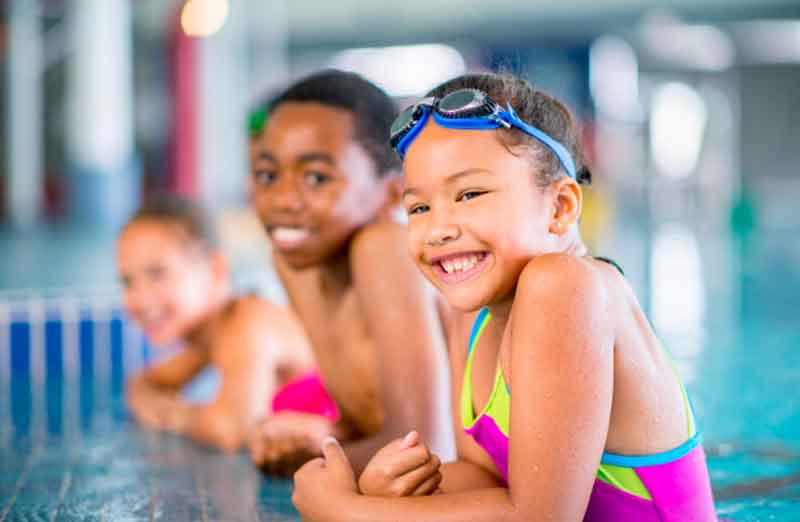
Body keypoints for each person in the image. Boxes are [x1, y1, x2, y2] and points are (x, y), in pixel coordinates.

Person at [291, 73, 718, 521]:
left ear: (560, 208)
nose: (438, 229)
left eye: (470, 193)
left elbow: (540, 518)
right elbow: (483, 480)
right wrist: (382, 492)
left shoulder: (564, 285)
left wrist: (345, 510)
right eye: (419, 207)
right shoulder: (473, 315)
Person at [247, 70, 454, 474]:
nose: (284, 200)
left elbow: (428, 450)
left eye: (317, 177)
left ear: (392, 193)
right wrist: (322, 436)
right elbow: (367, 418)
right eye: (267, 175)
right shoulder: (294, 260)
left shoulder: (384, 246)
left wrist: (315, 458)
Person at [119, 195, 330, 452]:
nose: (139, 299)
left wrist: (169, 414)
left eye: (157, 274)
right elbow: (142, 384)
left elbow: (232, 431)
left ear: (216, 270)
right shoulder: (212, 338)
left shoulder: (247, 323)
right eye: (127, 282)